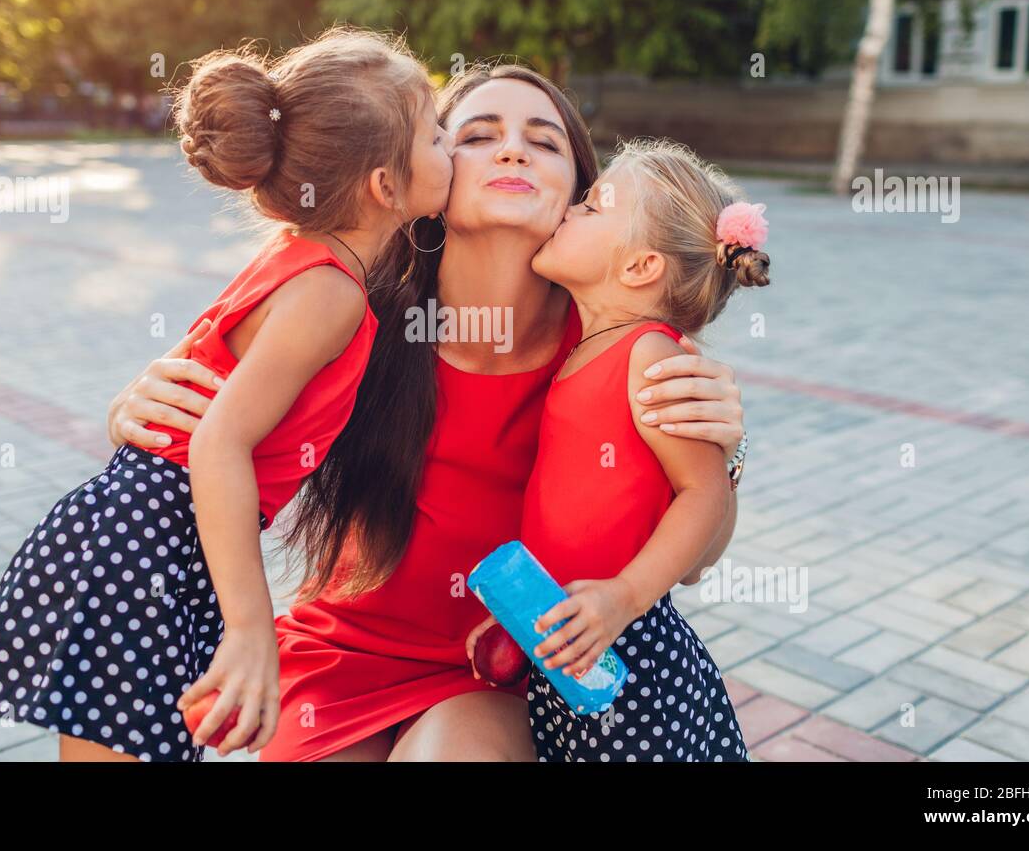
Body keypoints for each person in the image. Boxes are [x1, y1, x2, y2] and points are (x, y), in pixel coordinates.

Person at [108, 64, 748, 761]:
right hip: (340, 653)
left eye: (544, 141)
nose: (512, 151)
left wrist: (726, 454)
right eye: (476, 134)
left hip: (502, 669)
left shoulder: (619, 351)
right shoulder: (346, 300)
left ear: (578, 196)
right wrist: (134, 408)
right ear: (427, 175)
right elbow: (202, 407)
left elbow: (691, 561)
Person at [0, 26, 453, 762]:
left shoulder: (300, 256)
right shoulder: (329, 292)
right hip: (152, 543)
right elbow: (219, 440)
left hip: (148, 533)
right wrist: (251, 627)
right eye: (437, 134)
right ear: (384, 186)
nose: (452, 146)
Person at [482, 137, 767, 761]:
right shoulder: (585, 350)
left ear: (640, 267)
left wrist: (625, 596)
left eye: (590, 207)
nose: (569, 211)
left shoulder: (649, 355)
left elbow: (704, 490)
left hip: (635, 655)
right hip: (575, 640)